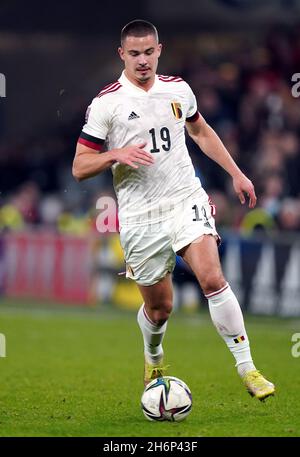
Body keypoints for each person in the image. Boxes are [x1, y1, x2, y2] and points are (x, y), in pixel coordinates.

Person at [73, 19, 275, 401]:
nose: (143, 60)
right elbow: (80, 167)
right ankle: (154, 356)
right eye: (134, 54)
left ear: (159, 50)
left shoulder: (178, 89)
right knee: (161, 308)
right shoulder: (107, 104)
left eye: (149, 52)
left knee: (213, 279)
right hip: (139, 216)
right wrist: (114, 154)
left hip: (186, 199)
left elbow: (200, 131)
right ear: (122, 55)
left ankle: (248, 368)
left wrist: (236, 173)